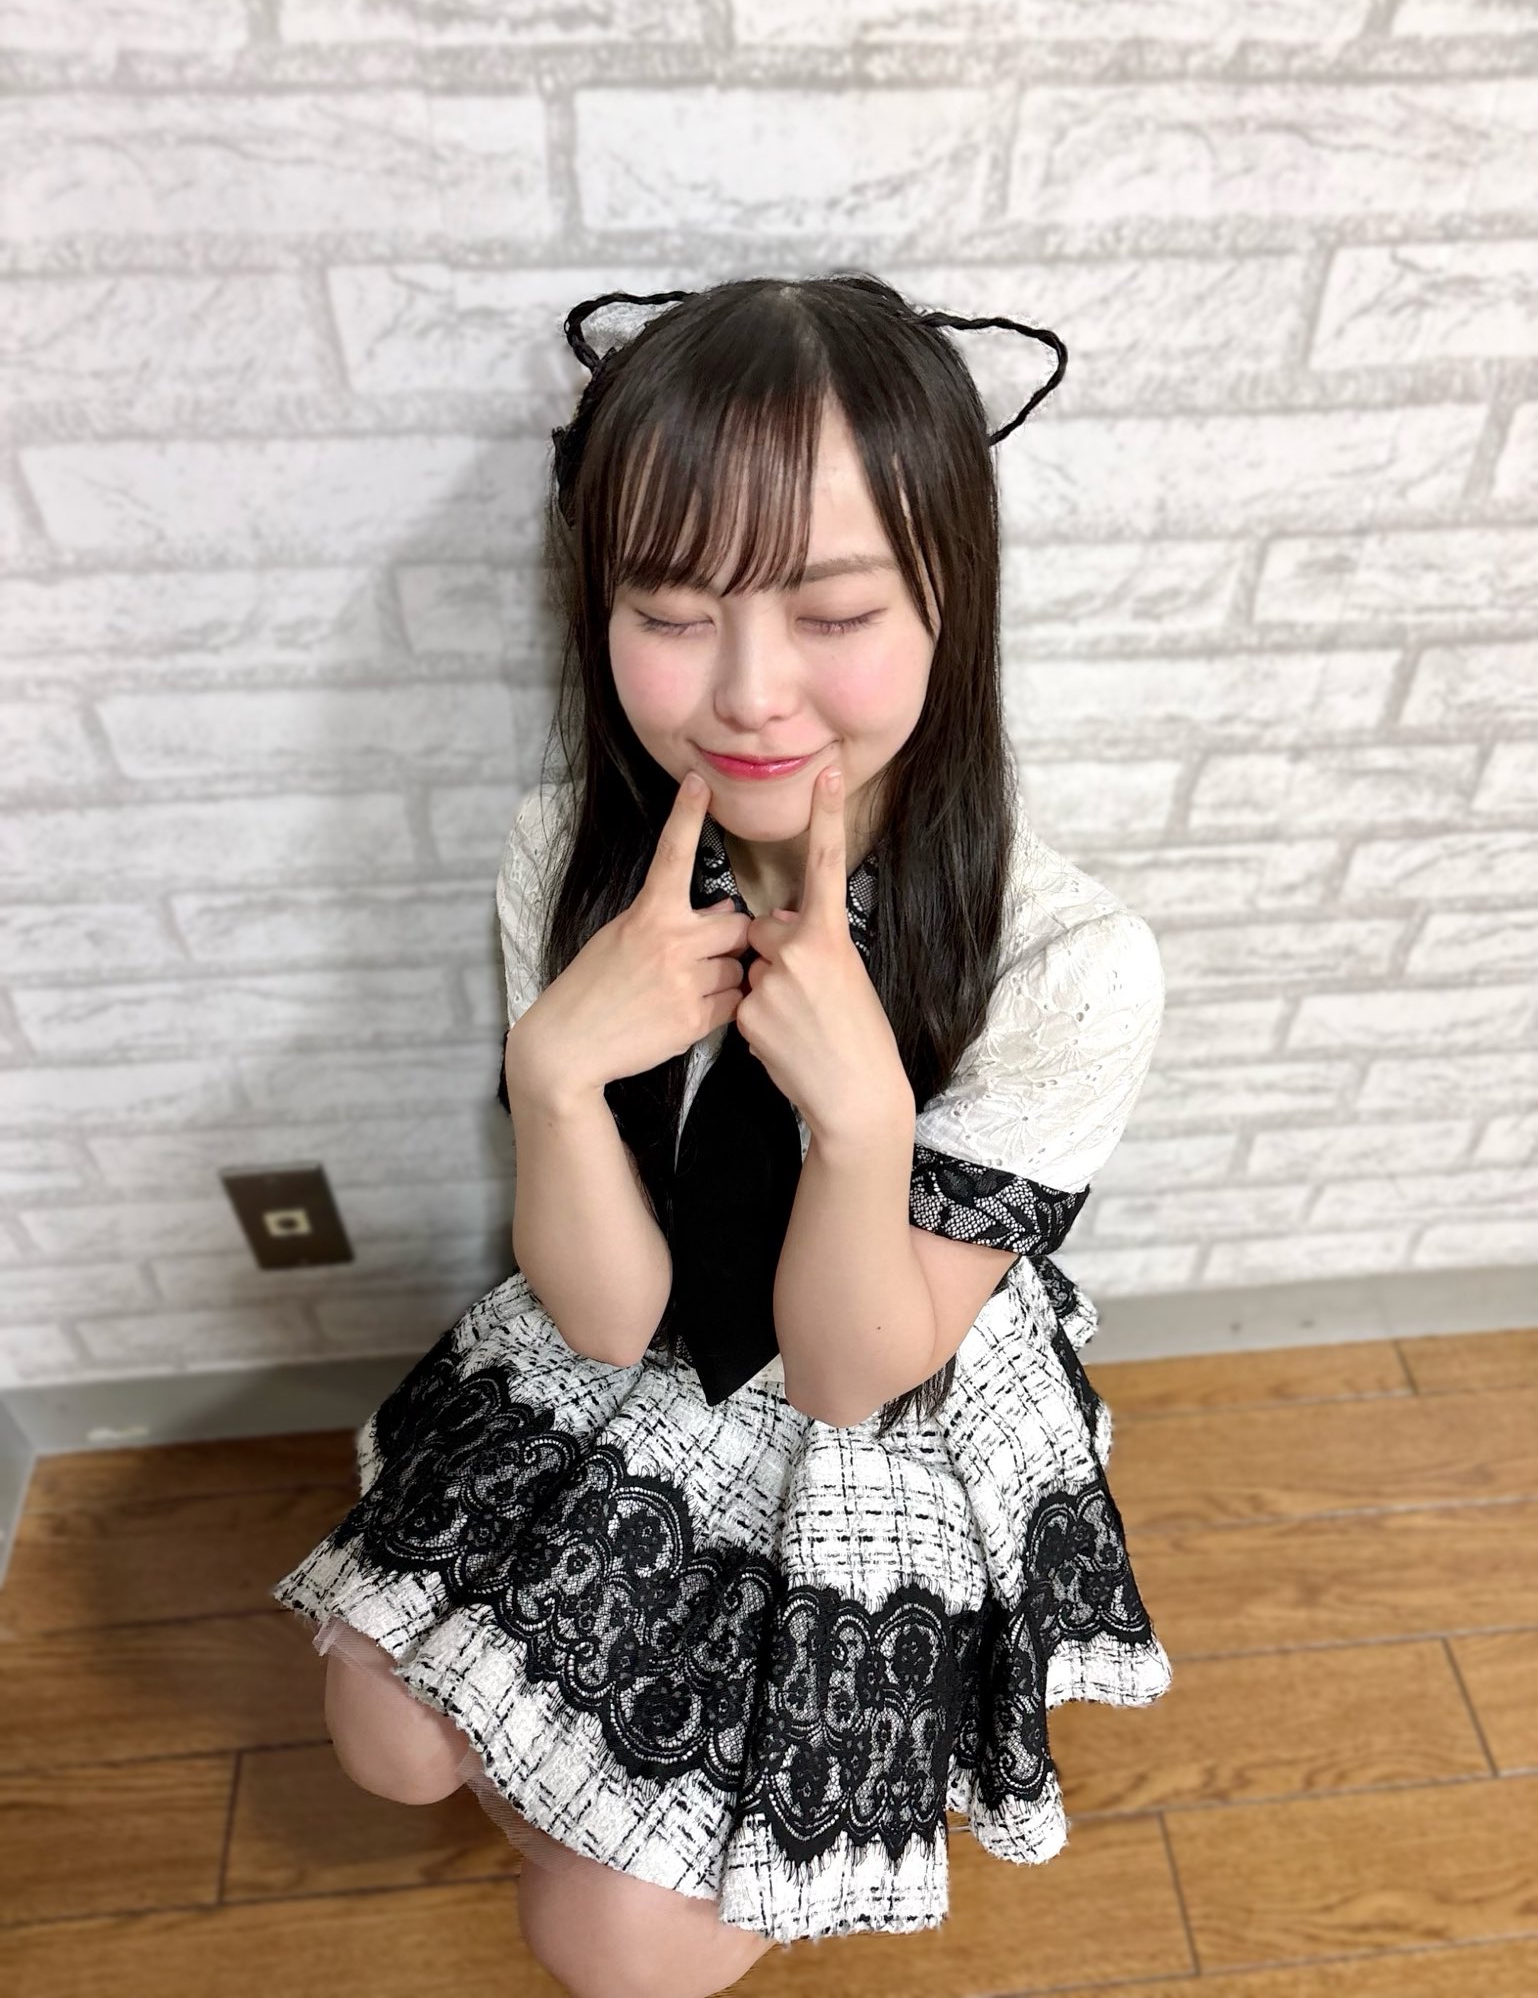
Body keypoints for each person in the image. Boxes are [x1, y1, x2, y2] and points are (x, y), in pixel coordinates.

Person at [270, 270, 1173, 1996]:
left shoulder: (1064, 964)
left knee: (619, 1954)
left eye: (834, 611)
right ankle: (598, 1803)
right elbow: (605, 1317)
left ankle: (648, 1840)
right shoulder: (565, 853)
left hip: (870, 1388)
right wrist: (555, 1073)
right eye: (674, 611)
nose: (750, 693)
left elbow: (849, 1373)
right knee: (385, 1746)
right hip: (631, 1326)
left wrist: (863, 1119)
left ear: (951, 598)